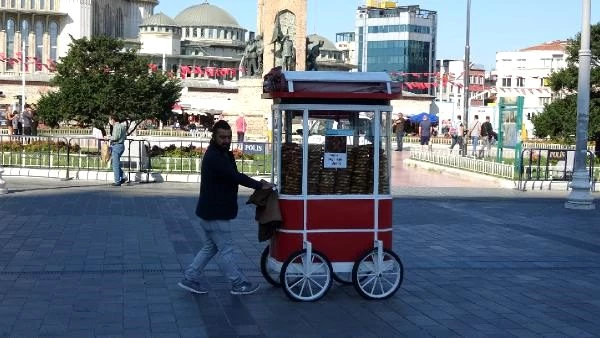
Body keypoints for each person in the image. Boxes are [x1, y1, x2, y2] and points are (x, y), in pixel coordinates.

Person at [178, 120, 274, 295]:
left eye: (229, 137)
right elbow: (234, 176)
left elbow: (234, 174)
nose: (227, 140)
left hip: (210, 211)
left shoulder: (223, 154)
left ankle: (190, 277)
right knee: (226, 249)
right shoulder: (214, 156)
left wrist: (258, 184)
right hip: (215, 212)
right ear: (214, 137)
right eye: (222, 137)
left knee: (210, 247)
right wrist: (260, 186)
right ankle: (238, 283)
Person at [108, 115, 127, 186]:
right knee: (115, 163)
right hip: (122, 145)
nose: (109, 122)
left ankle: (117, 181)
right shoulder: (122, 126)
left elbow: (115, 137)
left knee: (115, 164)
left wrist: (108, 137)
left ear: (113, 119)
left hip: (117, 146)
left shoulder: (116, 126)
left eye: (109, 120)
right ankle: (123, 177)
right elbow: (125, 137)